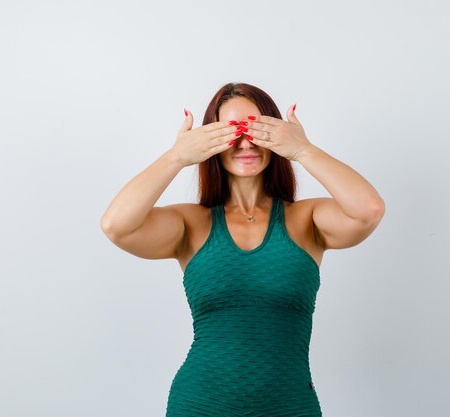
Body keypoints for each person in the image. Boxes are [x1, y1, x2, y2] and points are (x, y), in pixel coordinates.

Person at [100, 82, 385, 416]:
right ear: (211, 141)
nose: (246, 142)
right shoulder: (192, 224)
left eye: (255, 129)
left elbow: (369, 210)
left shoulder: (306, 219)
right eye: (231, 131)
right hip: (199, 405)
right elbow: (116, 225)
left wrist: (303, 150)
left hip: (290, 406)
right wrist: (176, 156)